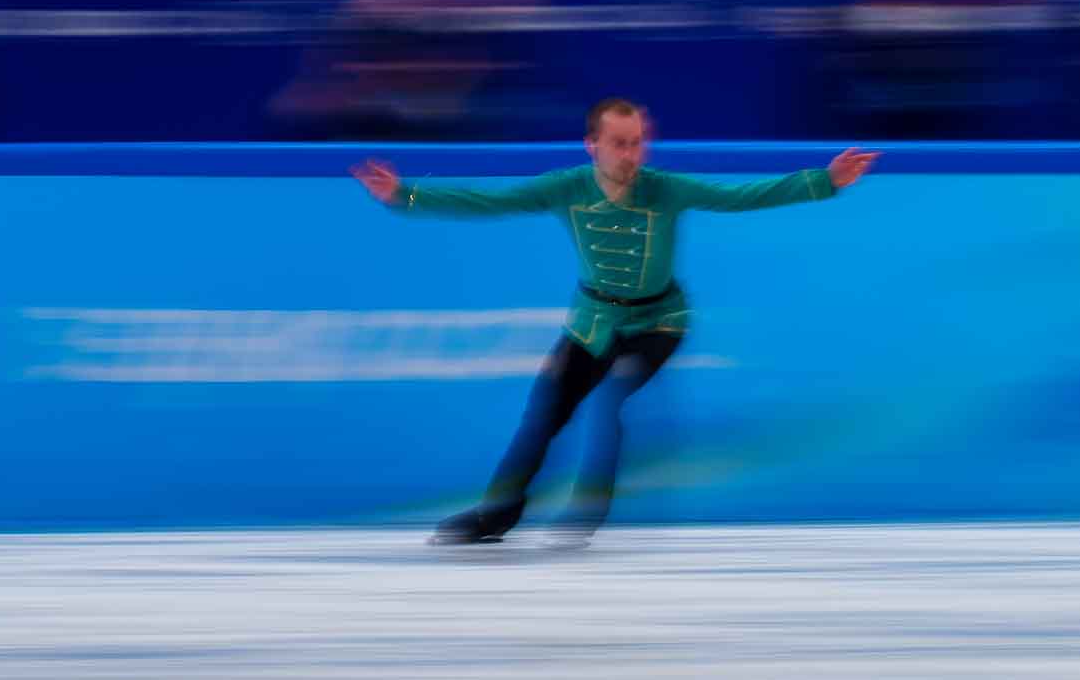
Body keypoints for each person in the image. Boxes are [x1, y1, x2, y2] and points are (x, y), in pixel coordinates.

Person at [350, 97, 880, 547]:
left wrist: (825, 181)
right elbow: (491, 201)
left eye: (637, 143)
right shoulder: (567, 187)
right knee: (546, 414)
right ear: (592, 146)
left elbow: (739, 198)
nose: (631, 155)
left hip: (658, 322)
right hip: (592, 321)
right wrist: (406, 195)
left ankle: (591, 502)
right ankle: (497, 515)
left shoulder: (665, 189)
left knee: (613, 391)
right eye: (619, 143)